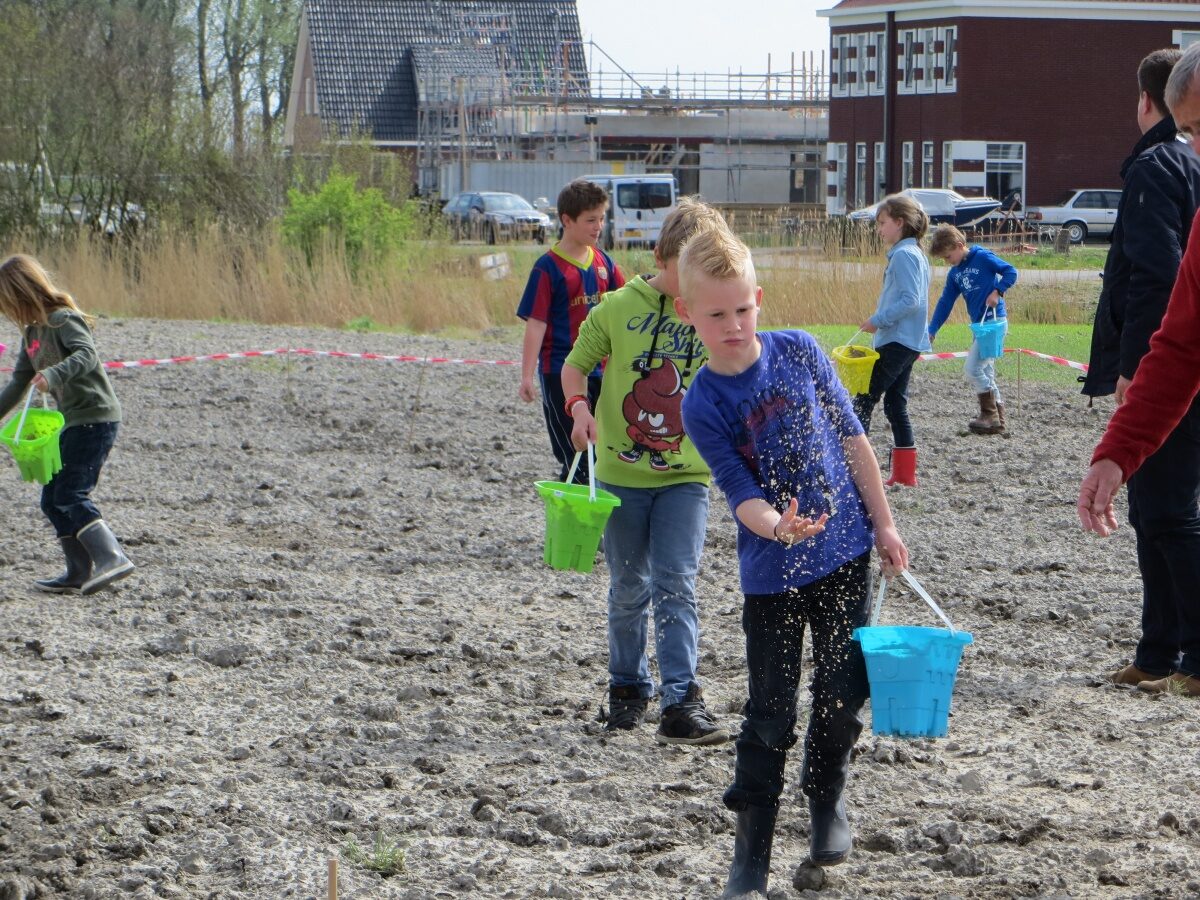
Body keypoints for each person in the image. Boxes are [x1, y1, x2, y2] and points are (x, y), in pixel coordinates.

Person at [675, 224, 909, 894]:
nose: (733, 325)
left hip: (844, 556)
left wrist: (885, 525)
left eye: (743, 309)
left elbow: (856, 441)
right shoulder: (703, 402)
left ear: (759, 299)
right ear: (691, 314)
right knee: (771, 711)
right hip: (771, 576)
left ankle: (826, 800)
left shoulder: (800, 353)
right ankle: (749, 858)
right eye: (717, 314)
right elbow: (739, 491)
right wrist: (779, 527)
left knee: (843, 691)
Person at [561, 197, 728, 745]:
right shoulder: (615, 308)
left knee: (676, 583)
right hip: (621, 474)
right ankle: (628, 686)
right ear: (660, 257)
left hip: (687, 475)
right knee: (629, 586)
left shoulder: (714, 311)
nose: (695, 283)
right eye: (687, 270)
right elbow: (574, 365)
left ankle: (681, 700)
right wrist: (580, 408)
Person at [1076, 46, 1200, 693]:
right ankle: (1162, 651)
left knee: (1169, 513)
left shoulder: (1155, 168)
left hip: (1153, 372)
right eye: (1194, 132)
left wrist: (1128, 372)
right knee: (1159, 510)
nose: (1197, 147)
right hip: (1164, 377)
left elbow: (1154, 280)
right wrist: (1117, 450)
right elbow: (1182, 339)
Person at [0, 254, 134, 595]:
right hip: (70, 423)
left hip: (95, 417)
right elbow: (17, 383)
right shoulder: (32, 334)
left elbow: (86, 354)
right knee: (51, 499)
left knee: (72, 493)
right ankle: (77, 571)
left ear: (20, 294)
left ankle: (112, 557)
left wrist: (54, 373)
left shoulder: (63, 320)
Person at [517, 179, 624, 484]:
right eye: (591, 220)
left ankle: (595, 521)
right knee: (576, 454)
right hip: (559, 373)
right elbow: (536, 324)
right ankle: (573, 522)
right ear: (567, 220)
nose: (598, 227)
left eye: (602, 219)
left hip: (603, 373)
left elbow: (624, 309)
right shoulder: (547, 269)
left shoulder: (605, 264)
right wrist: (526, 375)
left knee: (603, 452)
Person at [852, 193, 932, 487]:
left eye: (883, 223)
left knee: (863, 399)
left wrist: (878, 320)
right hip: (909, 341)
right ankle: (904, 475)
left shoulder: (903, 255)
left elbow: (911, 300)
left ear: (900, 223)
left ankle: (855, 469)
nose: (879, 229)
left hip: (897, 341)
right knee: (895, 404)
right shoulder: (915, 254)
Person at [927, 224, 1018, 435]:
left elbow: (1010, 272)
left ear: (959, 245)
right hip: (979, 325)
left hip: (993, 323)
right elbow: (945, 302)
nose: (947, 261)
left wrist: (998, 292)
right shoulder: (955, 274)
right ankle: (998, 420)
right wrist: (933, 329)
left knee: (972, 368)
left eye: (948, 256)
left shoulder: (983, 257)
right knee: (986, 370)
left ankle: (989, 414)